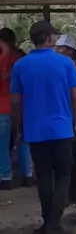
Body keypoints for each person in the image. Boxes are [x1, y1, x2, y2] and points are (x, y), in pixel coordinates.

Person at [10, 21, 76, 234]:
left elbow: (15, 101)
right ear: (48, 38)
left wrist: (19, 126)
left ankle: (47, 222)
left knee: (44, 177)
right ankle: (54, 224)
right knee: (63, 175)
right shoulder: (66, 63)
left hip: (35, 130)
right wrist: (75, 122)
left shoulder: (21, 65)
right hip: (61, 128)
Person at [0, 27, 33, 189]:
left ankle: (5, 177)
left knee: (2, 143)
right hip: (23, 105)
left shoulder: (4, 58)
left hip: (4, 106)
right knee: (23, 140)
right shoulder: (22, 57)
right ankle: (27, 175)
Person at [55, 34, 76, 207]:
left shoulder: (72, 66)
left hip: (69, 113)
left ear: (69, 50)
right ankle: (73, 192)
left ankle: (72, 193)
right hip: (69, 112)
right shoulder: (72, 65)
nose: (57, 50)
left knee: (70, 156)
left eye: (60, 48)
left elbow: (75, 93)